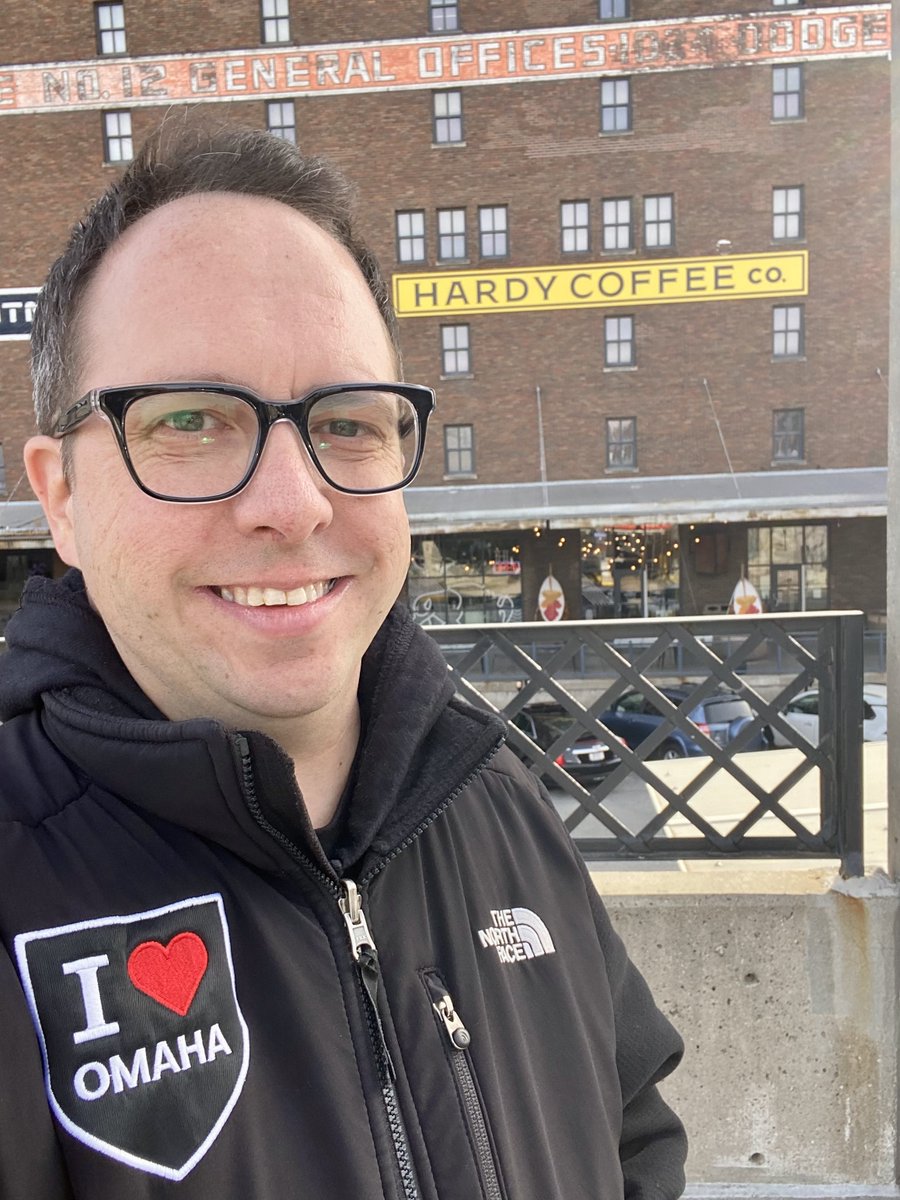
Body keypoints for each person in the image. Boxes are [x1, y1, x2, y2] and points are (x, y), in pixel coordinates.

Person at [0, 119, 687, 1199]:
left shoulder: (496, 797)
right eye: (192, 420)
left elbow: (634, 1141)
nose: (295, 502)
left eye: (349, 423)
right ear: (62, 497)